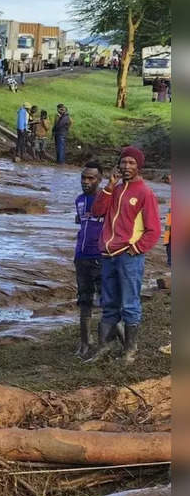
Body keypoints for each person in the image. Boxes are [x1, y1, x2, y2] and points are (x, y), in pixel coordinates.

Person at [90, 146, 161, 364]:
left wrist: (136, 248)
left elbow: (154, 230)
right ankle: (106, 347)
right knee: (109, 302)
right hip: (109, 255)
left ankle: (130, 351)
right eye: (123, 162)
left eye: (131, 163)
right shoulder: (116, 190)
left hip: (129, 256)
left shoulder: (145, 193)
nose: (126, 166)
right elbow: (97, 211)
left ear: (138, 166)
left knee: (129, 303)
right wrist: (109, 186)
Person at [74, 162, 105, 358]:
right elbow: (81, 223)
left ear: (100, 180)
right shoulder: (79, 200)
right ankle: (85, 342)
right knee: (84, 301)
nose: (86, 181)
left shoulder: (107, 200)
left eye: (91, 178)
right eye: (84, 177)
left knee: (106, 302)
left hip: (101, 258)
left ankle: (107, 343)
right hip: (81, 257)